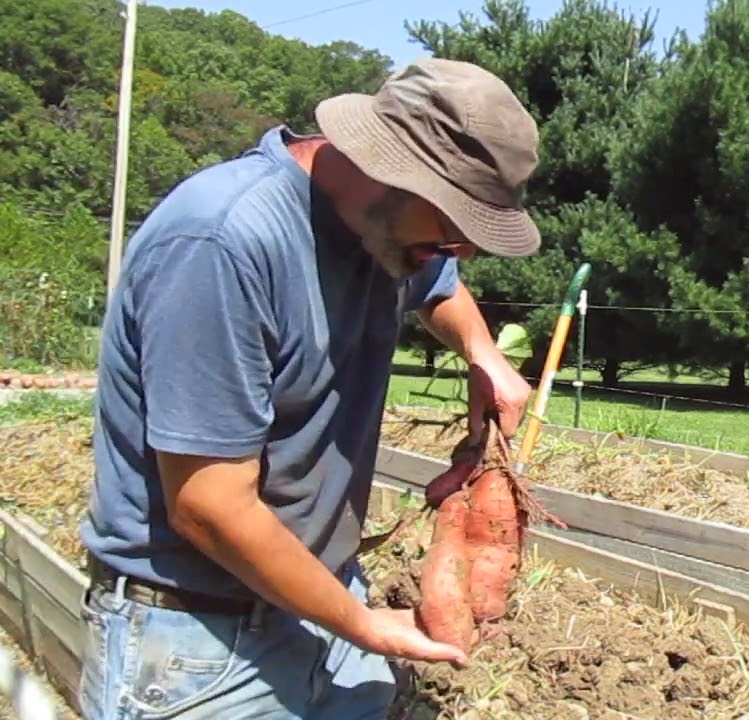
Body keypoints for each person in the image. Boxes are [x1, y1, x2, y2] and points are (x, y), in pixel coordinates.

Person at [77, 57, 540, 719]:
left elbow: (440, 291)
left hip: (321, 602)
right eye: (453, 223)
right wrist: (366, 625)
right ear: (389, 168)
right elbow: (210, 506)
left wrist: (482, 354)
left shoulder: (389, 234)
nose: (461, 249)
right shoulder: (224, 244)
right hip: (198, 644)